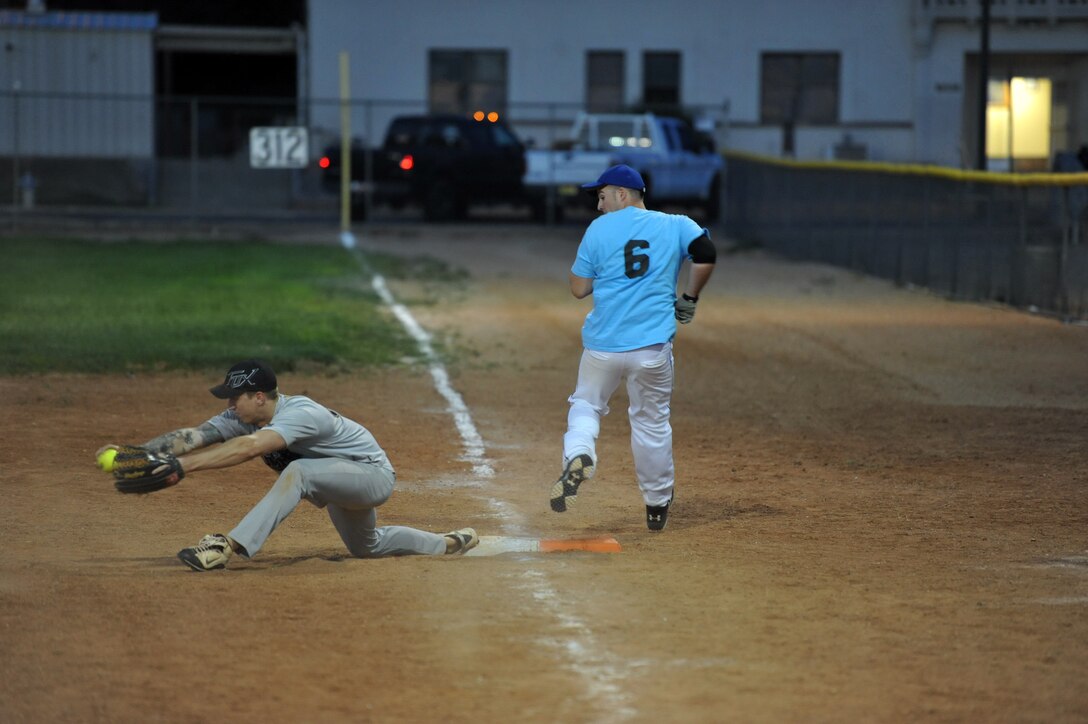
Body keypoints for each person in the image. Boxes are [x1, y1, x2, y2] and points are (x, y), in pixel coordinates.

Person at [100, 359, 478, 571]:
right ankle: (446, 543)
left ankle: (225, 546)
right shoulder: (245, 416)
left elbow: (250, 448)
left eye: (236, 399)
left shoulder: (302, 414)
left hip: (372, 477)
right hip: (338, 481)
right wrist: (143, 453)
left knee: (297, 472)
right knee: (368, 547)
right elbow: (195, 435)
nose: (230, 407)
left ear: (259, 397)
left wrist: (184, 468)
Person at [550, 164, 716, 531]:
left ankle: (579, 452)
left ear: (623, 194)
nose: (598, 205)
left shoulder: (598, 229)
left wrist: (609, 276)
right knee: (651, 422)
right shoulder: (676, 225)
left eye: (602, 195)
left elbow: (578, 288)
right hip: (652, 348)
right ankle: (656, 505)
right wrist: (690, 296)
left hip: (603, 347)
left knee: (586, 404)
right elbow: (706, 252)